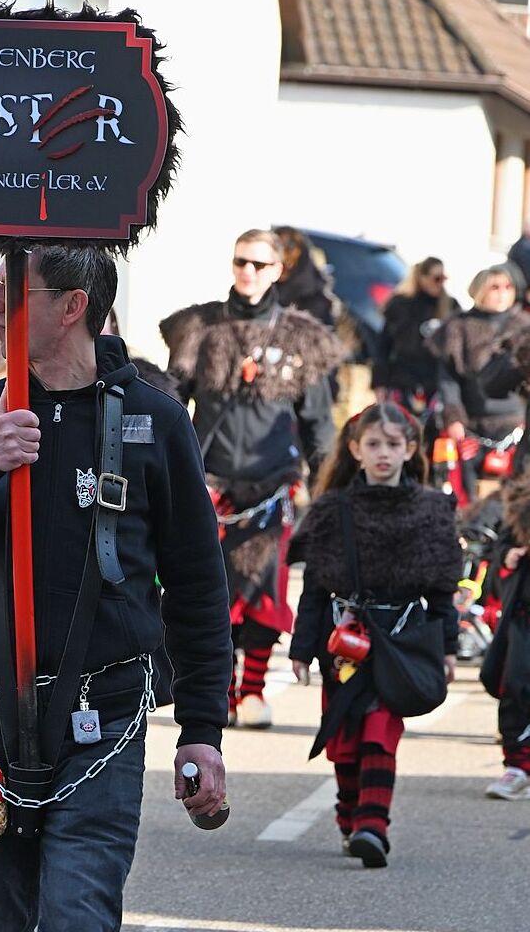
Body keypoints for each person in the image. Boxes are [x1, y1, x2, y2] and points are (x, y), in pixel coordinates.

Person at [0, 245, 232, 932]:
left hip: (101, 713)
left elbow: (196, 582)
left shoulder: (157, 422)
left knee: (79, 914)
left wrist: (201, 727)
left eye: (7, 288)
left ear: (72, 306)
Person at [159, 228, 344, 729]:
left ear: (278, 270)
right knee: (208, 592)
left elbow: (319, 423)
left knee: (264, 593)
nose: (249, 271)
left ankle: (254, 689)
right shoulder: (198, 328)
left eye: (261, 264)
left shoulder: (303, 337)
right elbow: (169, 405)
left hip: (271, 485)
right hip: (208, 483)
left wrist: (330, 488)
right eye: (242, 261)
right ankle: (218, 687)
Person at [289, 403, 461, 867]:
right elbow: (315, 588)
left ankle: (373, 825)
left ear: (410, 449)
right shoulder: (330, 511)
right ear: (354, 449)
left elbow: (443, 592)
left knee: (380, 732)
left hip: (402, 641)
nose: (383, 453)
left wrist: (448, 646)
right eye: (373, 444)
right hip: (344, 642)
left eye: (392, 443)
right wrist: (301, 649)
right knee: (345, 739)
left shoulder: (431, 510)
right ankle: (350, 817)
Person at [425, 263, 530, 501]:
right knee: (465, 494)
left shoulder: (524, 326)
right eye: (495, 287)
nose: (502, 292)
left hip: (516, 423)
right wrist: (453, 418)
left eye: (508, 286)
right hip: (470, 423)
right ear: (480, 289)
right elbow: (448, 380)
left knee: (514, 492)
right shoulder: (457, 326)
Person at [481, 469, 530, 800]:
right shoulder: (519, 504)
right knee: (514, 685)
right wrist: (508, 558)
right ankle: (518, 766)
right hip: (523, 617)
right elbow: (499, 550)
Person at [372, 257, 460, 423]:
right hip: (403, 378)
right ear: (422, 278)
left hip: (436, 381)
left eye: (443, 278)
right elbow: (383, 347)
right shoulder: (400, 305)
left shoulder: (450, 306)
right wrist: (380, 383)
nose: (440, 284)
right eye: (436, 278)